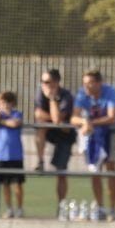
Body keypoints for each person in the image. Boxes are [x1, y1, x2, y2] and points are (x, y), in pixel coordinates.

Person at [71, 70, 115, 221]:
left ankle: (112, 209)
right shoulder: (82, 94)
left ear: (99, 83)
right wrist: (85, 122)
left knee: (110, 166)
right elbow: (74, 118)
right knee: (94, 169)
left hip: (112, 132)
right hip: (93, 133)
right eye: (85, 83)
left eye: (90, 83)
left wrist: (90, 122)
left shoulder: (110, 92)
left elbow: (112, 117)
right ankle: (100, 207)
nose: (87, 86)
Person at [33, 69, 76, 205]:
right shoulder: (40, 92)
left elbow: (58, 119)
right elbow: (39, 115)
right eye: (42, 81)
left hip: (65, 135)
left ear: (56, 83)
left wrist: (52, 99)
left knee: (61, 172)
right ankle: (40, 161)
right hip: (50, 130)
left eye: (46, 82)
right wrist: (54, 120)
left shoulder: (66, 96)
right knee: (40, 125)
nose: (43, 84)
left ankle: (61, 205)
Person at [0, 91, 25, 218]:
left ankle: (19, 208)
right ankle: (9, 208)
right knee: (5, 184)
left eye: (4, 102)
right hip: (1, 155)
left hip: (15, 155)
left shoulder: (16, 114)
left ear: (11, 103)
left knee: (17, 184)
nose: (1, 104)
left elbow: (14, 123)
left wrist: (2, 122)